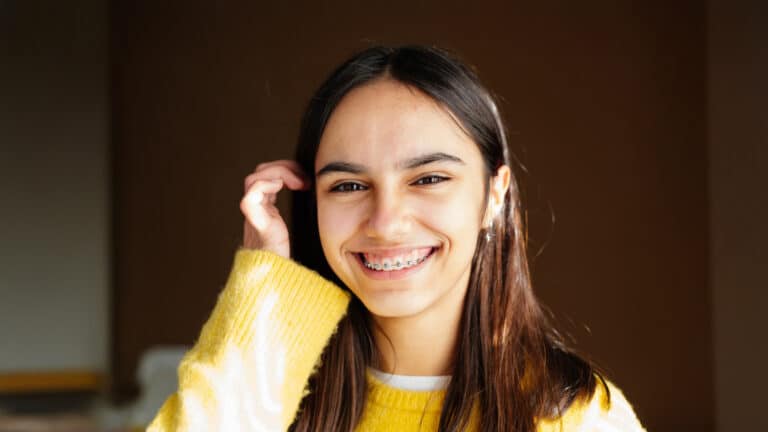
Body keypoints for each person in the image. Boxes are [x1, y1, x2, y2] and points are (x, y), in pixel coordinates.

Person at [148, 45, 646, 431]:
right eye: (348, 185)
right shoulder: (267, 399)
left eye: (428, 178)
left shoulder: (578, 417)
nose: (385, 222)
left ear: (495, 193)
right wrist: (262, 292)